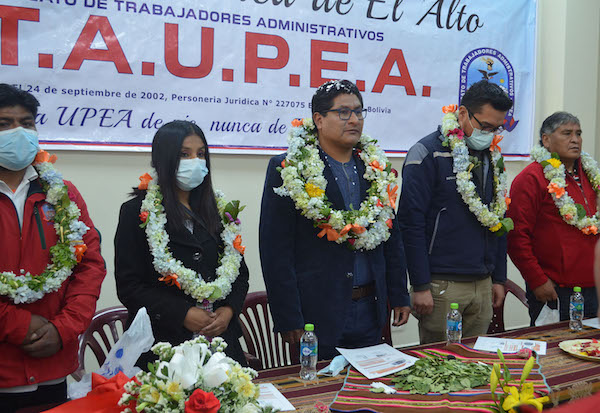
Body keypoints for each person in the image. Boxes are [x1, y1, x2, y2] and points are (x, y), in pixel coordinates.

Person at [259, 79, 410, 360]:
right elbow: (275, 250)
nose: (354, 119)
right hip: (317, 313)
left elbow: (392, 236)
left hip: (369, 308)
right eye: (343, 112)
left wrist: (399, 294)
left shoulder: (375, 168)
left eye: (359, 111)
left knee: (369, 396)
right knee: (318, 398)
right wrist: (287, 316)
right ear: (319, 119)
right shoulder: (289, 169)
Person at [0, 84, 106, 412]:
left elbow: (89, 266)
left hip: (52, 368)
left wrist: (64, 329)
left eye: (27, 123)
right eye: (4, 124)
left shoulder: (62, 194)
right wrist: (15, 324)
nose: (18, 132)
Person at [115, 120, 249, 368]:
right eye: (184, 155)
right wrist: (182, 314)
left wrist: (229, 311)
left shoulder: (219, 211)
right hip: (165, 346)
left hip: (222, 344)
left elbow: (240, 275)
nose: (195, 162)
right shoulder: (136, 212)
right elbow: (129, 286)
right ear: (163, 159)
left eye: (201, 154)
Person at [398, 80, 513, 344]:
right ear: (462, 114)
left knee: (476, 366)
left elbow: (497, 218)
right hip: (441, 286)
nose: (490, 133)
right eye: (485, 126)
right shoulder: (427, 152)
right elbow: (410, 223)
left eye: (496, 128)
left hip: (483, 283)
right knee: (439, 367)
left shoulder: (491, 156)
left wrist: (499, 278)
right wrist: (420, 285)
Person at [508, 112, 599, 324]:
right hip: (555, 291)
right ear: (546, 140)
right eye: (567, 133)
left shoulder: (591, 175)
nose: (575, 139)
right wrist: (537, 280)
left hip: (594, 288)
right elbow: (516, 236)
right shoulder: (531, 177)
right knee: (554, 353)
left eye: (578, 133)